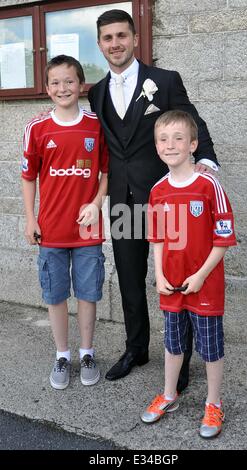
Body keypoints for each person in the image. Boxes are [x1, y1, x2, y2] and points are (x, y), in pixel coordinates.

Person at [88, 9, 219, 388]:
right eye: (108, 38)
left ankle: (181, 361)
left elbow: (194, 122)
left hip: (167, 200)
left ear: (135, 39)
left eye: (121, 36)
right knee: (130, 277)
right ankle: (136, 348)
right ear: (100, 45)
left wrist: (206, 161)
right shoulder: (96, 92)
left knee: (177, 279)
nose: (115, 44)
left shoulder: (163, 81)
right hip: (123, 202)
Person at [141, 110, 236, 438]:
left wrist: (200, 276)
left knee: (210, 346)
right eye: (163, 139)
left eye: (178, 138)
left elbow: (223, 239)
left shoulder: (209, 185)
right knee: (173, 342)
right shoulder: (158, 191)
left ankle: (214, 403)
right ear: (156, 147)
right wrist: (160, 274)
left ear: (193, 144)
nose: (170, 145)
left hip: (204, 285)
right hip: (172, 285)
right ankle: (169, 395)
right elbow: (157, 237)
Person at [21, 55, 109, 390]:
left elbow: (106, 173)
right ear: (46, 89)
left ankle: (87, 352)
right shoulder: (38, 128)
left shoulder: (95, 125)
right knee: (55, 294)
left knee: (88, 293)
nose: (63, 88)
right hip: (52, 229)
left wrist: (97, 203)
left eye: (69, 81)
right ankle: (62, 355)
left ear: (81, 84)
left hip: (88, 231)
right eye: (55, 82)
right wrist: (31, 218)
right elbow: (28, 177)